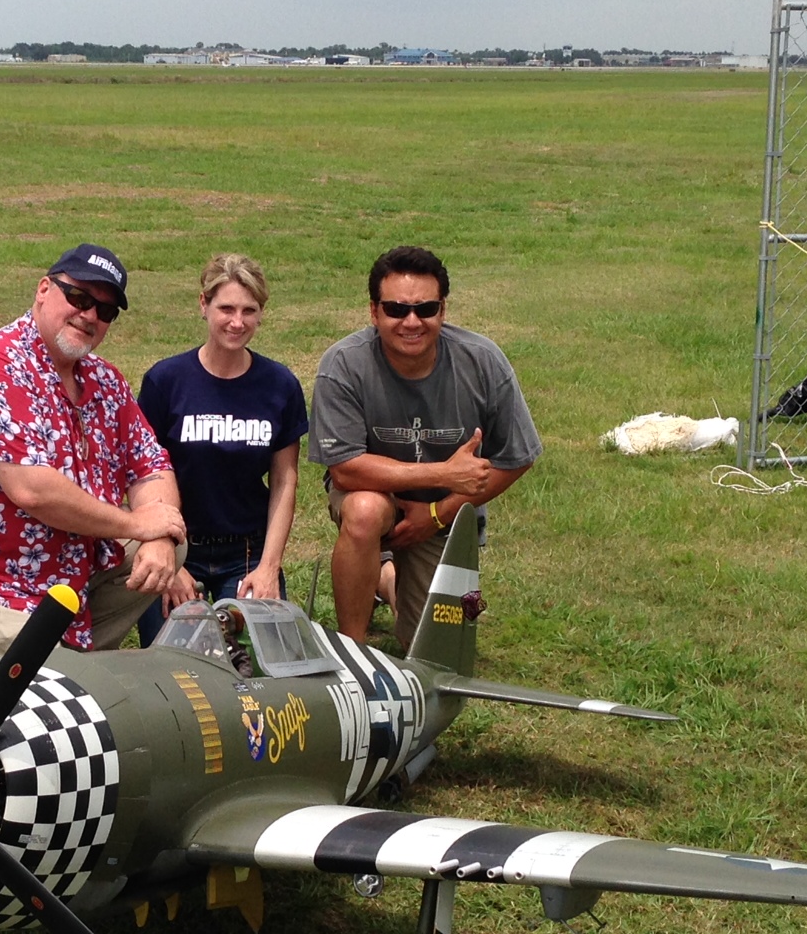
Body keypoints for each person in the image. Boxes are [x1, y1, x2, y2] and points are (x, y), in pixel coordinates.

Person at [0, 243, 186, 690]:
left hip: (65, 572)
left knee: (169, 547)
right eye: (80, 298)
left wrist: (162, 535)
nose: (90, 315)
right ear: (44, 290)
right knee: (40, 700)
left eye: (106, 310)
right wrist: (135, 523)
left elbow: (151, 465)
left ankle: (51, 661)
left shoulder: (105, 380)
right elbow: (33, 490)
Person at [310, 245, 541, 651]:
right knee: (365, 512)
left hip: (445, 512)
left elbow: (517, 457)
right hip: (374, 495)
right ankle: (352, 651)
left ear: (443, 310)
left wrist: (436, 514)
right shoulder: (343, 364)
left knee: (437, 651)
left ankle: (385, 579)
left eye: (426, 308)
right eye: (396, 309)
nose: (411, 321)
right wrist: (440, 473)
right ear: (374, 311)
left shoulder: (483, 361)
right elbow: (346, 469)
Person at [134, 253, 309, 645]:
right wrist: (168, 559)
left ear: (261, 314)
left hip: (246, 549)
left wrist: (269, 567)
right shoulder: (166, 381)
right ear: (203, 304)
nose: (237, 321)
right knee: (172, 667)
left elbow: (285, 480)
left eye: (249, 310)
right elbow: (142, 472)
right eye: (226, 308)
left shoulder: (280, 385)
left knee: (250, 671)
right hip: (180, 545)